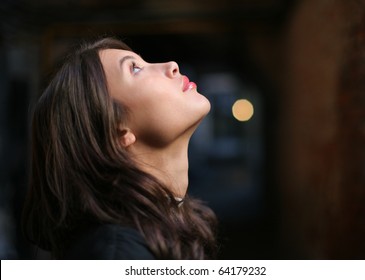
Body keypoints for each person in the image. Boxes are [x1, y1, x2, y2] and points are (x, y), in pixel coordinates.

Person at [22, 37, 218, 260]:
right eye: (135, 69)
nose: (172, 65)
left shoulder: (154, 227)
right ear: (116, 131)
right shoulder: (117, 253)